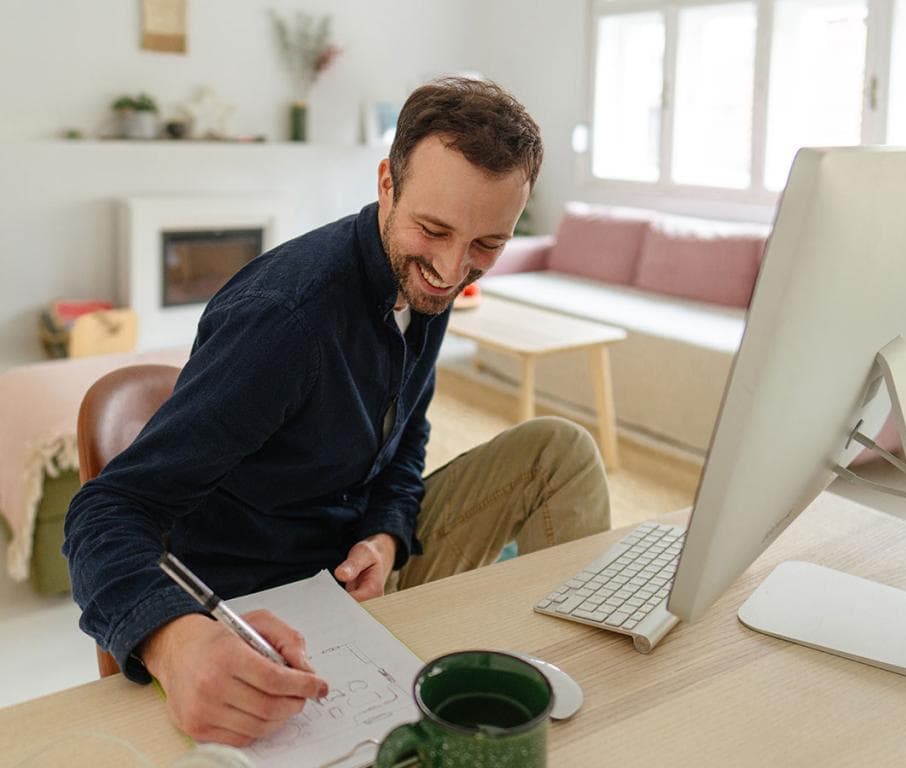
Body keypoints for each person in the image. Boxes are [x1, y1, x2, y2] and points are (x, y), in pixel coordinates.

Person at [63, 77, 611, 747]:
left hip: (352, 570)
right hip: (262, 609)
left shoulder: (429, 287)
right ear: (387, 183)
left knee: (560, 452)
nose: (449, 268)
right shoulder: (285, 321)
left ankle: (539, 699)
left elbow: (405, 442)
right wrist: (175, 642)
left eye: (485, 246)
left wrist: (384, 534)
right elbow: (104, 512)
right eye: (432, 229)